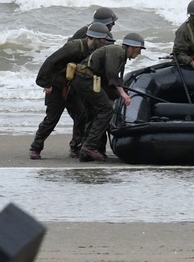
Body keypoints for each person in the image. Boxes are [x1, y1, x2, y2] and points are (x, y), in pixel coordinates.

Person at [73, 31, 145, 162]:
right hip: (85, 79)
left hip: (84, 79)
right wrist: (123, 94)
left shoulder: (119, 54)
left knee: (94, 112)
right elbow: (111, 73)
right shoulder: (117, 51)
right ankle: (89, 147)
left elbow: (108, 78)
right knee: (106, 109)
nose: (139, 53)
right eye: (139, 50)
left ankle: (87, 150)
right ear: (131, 47)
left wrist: (119, 93)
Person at [29, 29, 95, 159]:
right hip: (56, 87)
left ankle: (75, 147)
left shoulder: (91, 51)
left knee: (81, 115)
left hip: (72, 88)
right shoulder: (73, 47)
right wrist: (46, 83)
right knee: (52, 118)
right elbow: (50, 61)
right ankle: (35, 147)